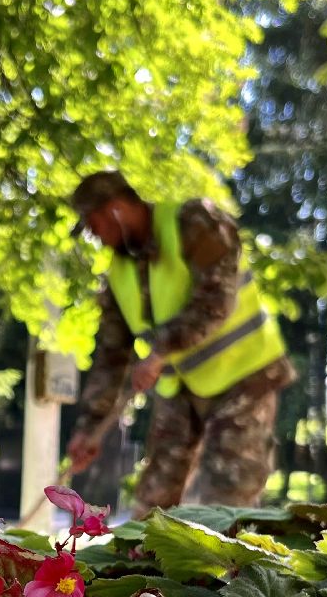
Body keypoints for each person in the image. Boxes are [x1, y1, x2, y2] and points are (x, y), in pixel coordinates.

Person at [64, 171, 296, 516]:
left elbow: (215, 301)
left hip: (244, 378)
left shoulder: (196, 222)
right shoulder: (118, 275)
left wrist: (159, 352)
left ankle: (225, 566)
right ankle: (138, 565)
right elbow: (112, 356)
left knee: (227, 500)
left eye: (94, 224)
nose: (95, 236)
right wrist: (89, 427)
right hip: (181, 392)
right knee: (153, 503)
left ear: (114, 210)